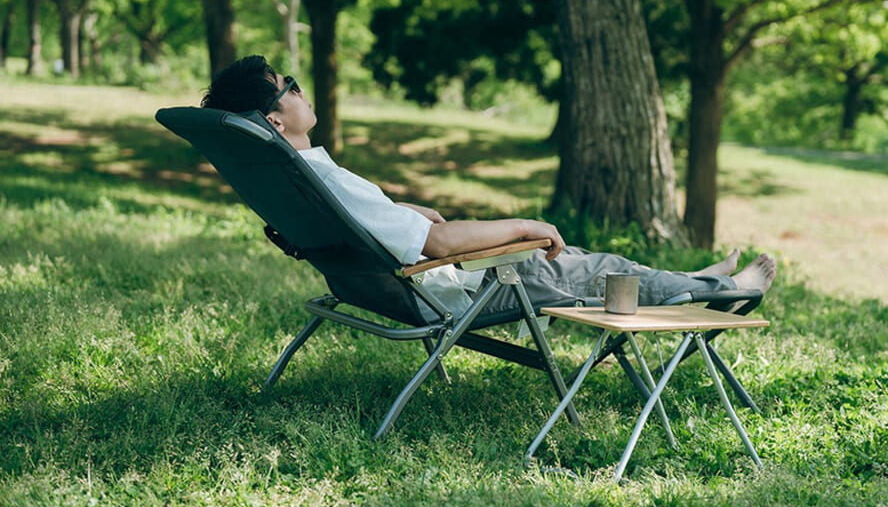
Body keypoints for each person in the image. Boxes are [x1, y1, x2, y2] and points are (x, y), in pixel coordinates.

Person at [201, 55, 775, 319]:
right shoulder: (321, 177)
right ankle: (718, 290)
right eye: (290, 87)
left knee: (580, 262)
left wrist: (402, 209)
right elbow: (444, 248)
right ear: (276, 121)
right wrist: (527, 225)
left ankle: (703, 279)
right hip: (456, 290)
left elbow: (354, 223)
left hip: (383, 287)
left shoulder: (300, 179)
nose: (302, 91)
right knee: (594, 269)